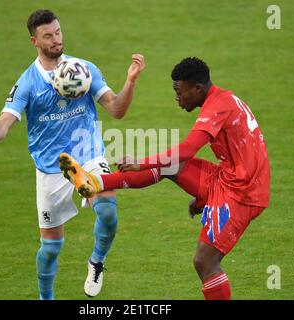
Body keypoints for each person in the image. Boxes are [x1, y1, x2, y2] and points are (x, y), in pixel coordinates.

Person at [0, 9, 145, 299]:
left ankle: (97, 261)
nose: (56, 39)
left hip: (87, 155)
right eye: (48, 36)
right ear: (34, 41)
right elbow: (3, 124)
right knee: (51, 248)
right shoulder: (27, 82)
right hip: (51, 169)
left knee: (108, 211)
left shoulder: (83, 70)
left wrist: (131, 81)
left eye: (58, 32)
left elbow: (116, 109)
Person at [59, 57, 270, 300]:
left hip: (242, 195)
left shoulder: (218, 107)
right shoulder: (224, 99)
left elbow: (189, 148)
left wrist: (141, 162)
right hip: (228, 179)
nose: (177, 98)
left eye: (179, 92)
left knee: (205, 261)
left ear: (197, 89)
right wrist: (204, 198)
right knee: (170, 166)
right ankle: (96, 183)